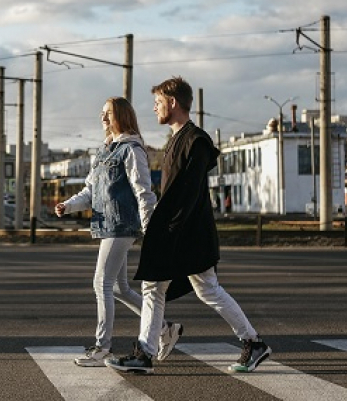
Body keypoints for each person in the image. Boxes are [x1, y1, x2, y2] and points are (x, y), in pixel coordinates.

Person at [106, 77, 271, 375]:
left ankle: (145, 354)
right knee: (196, 289)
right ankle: (252, 342)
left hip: (187, 233)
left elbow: (189, 194)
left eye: (158, 102)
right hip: (183, 232)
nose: (154, 108)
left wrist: (170, 231)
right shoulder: (178, 139)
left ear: (172, 102)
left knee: (165, 287)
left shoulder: (196, 141)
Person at [55, 96, 183, 367]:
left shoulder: (132, 150)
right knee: (118, 288)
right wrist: (68, 205)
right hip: (106, 226)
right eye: (102, 113)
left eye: (108, 113)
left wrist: (151, 230)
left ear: (121, 117)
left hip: (122, 226)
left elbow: (143, 192)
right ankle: (164, 329)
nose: (102, 118)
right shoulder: (104, 151)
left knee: (100, 283)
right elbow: (90, 191)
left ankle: (102, 348)